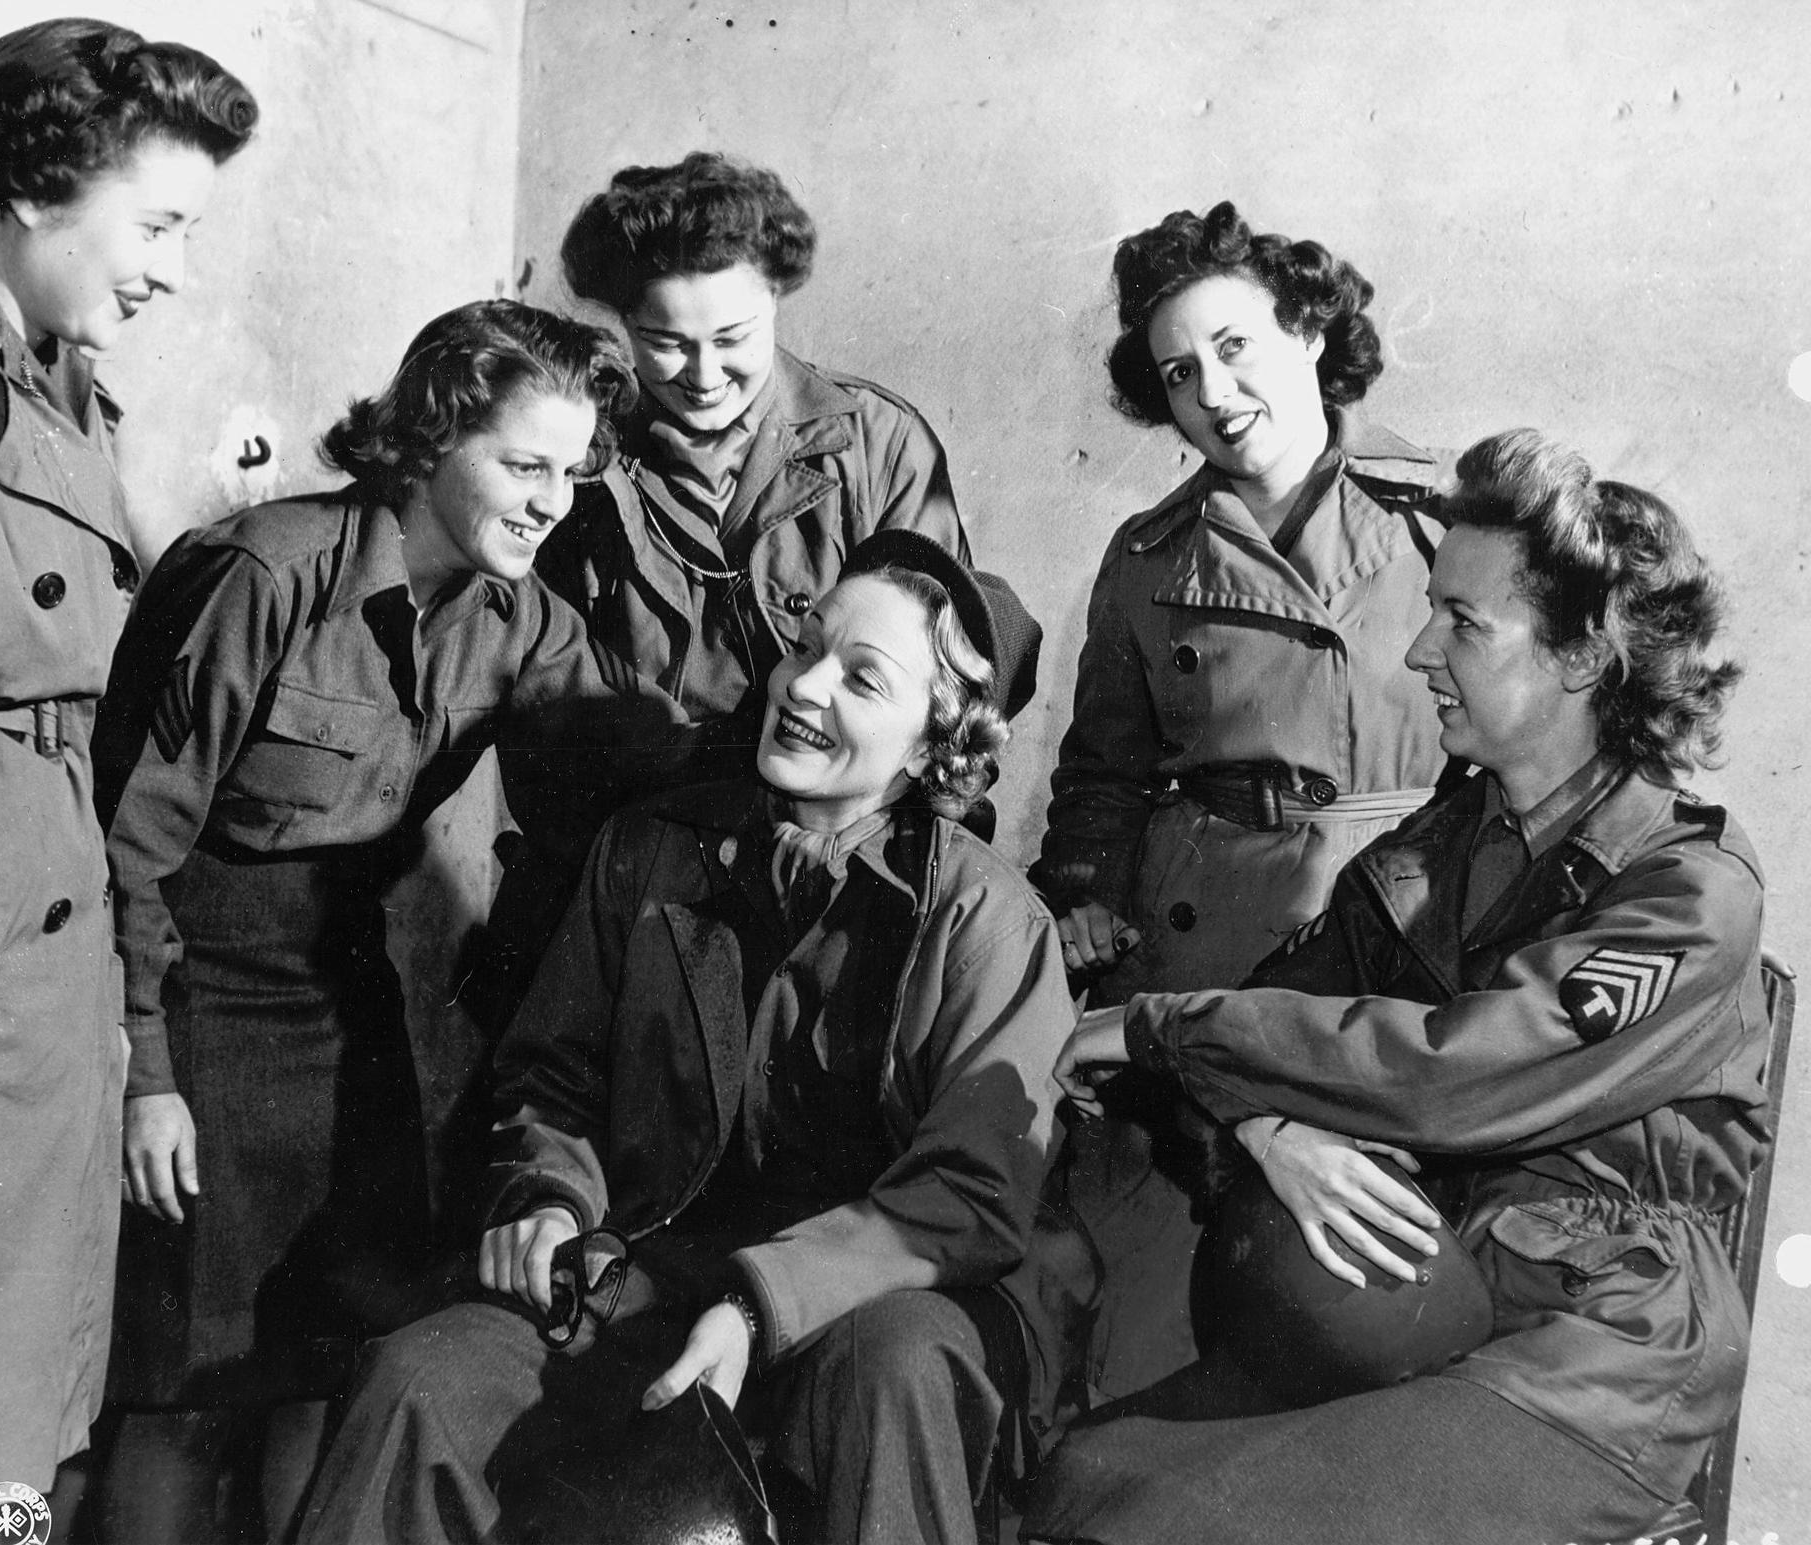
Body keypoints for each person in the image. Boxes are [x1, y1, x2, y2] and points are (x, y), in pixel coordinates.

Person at [1021, 429, 1770, 1545]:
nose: (1420, 651)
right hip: (1414, 1309)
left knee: (1180, 1525)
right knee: (1085, 1481)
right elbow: (1268, 1024)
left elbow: (1451, 1074)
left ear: (1580, 656)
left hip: (1595, 1353)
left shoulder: (1690, 894)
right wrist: (1269, 1126)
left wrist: (1169, 1030)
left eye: (1463, 621)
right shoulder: (1439, 846)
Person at [297, 532, 1081, 1545]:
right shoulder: (648, 849)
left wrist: (758, 1306)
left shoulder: (991, 926)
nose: (803, 687)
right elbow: (552, 1078)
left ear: (936, 746)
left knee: (890, 1370)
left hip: (880, 1299)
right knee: (418, 1382)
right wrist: (551, 1200)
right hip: (655, 1272)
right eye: (807, 647)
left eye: (861, 679)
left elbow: (969, 1195)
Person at [88, 301, 669, 1542]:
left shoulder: (518, 618)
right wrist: (145, 1075)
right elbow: (122, 848)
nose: (551, 503)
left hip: (353, 1016)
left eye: (570, 474)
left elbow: (640, 753)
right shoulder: (264, 572)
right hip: (194, 1002)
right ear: (431, 438)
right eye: (525, 466)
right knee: (184, 1398)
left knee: (331, 1374)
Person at [0, 19, 254, 1533]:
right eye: (156, 225)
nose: (170, 271)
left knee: (9, 1423)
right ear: (41, 188)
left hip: (26, 951)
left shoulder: (49, 379)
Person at [1030, 200, 1453, 1395]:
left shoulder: (1445, 518)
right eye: (1179, 373)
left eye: (1234, 347)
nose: (1213, 393)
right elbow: (1103, 773)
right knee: (1157, 1301)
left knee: (1364, 1296)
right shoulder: (1147, 556)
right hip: (1205, 928)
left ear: (1310, 333)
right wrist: (1083, 892)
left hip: (1405, 924)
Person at [472, 153, 974, 1025]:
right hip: (630, 887)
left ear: (776, 299)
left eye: (734, 337)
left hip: (842, 879)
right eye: (665, 343)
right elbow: (548, 734)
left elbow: (950, 692)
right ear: (622, 323)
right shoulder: (576, 467)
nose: (702, 375)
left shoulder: (881, 446)